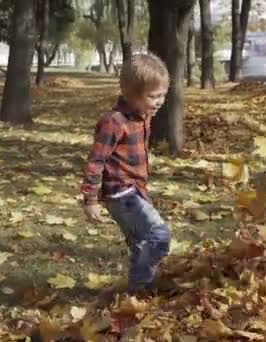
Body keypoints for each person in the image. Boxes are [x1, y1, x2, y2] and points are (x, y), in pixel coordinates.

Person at [80, 53, 172, 296]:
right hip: (121, 193)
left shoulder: (144, 117)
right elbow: (96, 160)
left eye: (162, 95)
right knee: (159, 235)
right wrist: (90, 199)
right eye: (153, 96)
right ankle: (139, 287)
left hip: (136, 189)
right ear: (131, 94)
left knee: (141, 242)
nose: (159, 101)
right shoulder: (114, 122)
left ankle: (141, 288)